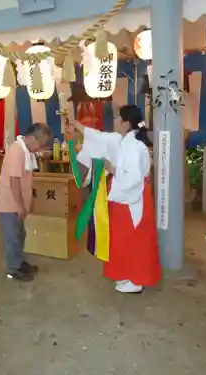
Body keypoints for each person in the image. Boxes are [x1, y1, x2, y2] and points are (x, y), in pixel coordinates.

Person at [66, 104, 161, 293]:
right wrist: (76, 125)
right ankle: (126, 275)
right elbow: (99, 137)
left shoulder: (135, 147)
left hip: (132, 199)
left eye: (118, 118)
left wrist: (112, 169)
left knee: (134, 240)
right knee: (120, 240)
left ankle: (136, 280)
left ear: (126, 123)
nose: (115, 121)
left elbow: (133, 178)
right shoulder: (122, 140)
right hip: (120, 196)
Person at [0, 123, 53, 281]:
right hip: (9, 203)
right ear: (32, 138)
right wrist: (21, 207)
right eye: (40, 143)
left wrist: (25, 204)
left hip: (18, 203)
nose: (41, 146)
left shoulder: (25, 150)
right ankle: (13, 270)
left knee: (20, 234)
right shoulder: (17, 151)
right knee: (12, 237)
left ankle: (19, 262)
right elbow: (14, 182)